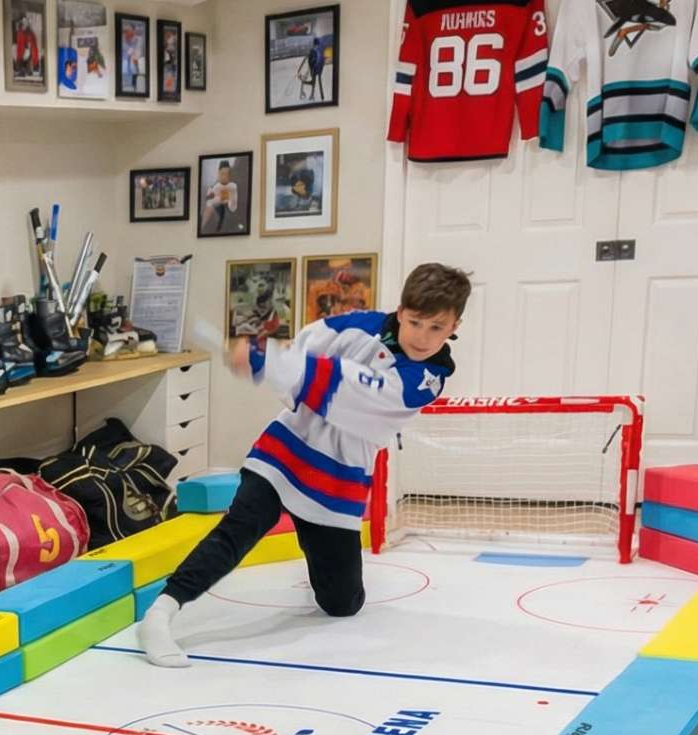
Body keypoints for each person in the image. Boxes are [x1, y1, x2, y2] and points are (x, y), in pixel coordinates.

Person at [138, 262, 469, 668]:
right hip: (287, 450)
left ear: (454, 325)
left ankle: (308, 535)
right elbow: (299, 354)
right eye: (415, 321)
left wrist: (273, 363)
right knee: (237, 531)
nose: (422, 336)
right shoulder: (355, 326)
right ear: (401, 311)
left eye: (436, 327)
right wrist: (264, 357)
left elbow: (355, 396)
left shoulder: (428, 378)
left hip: (337, 481)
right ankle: (161, 614)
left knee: (342, 604)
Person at [203, 161, 238, 234]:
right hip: (217, 217)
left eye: (227, 174)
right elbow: (209, 202)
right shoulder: (214, 187)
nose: (225, 176)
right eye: (222, 173)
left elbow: (233, 206)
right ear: (218, 173)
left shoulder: (233, 186)